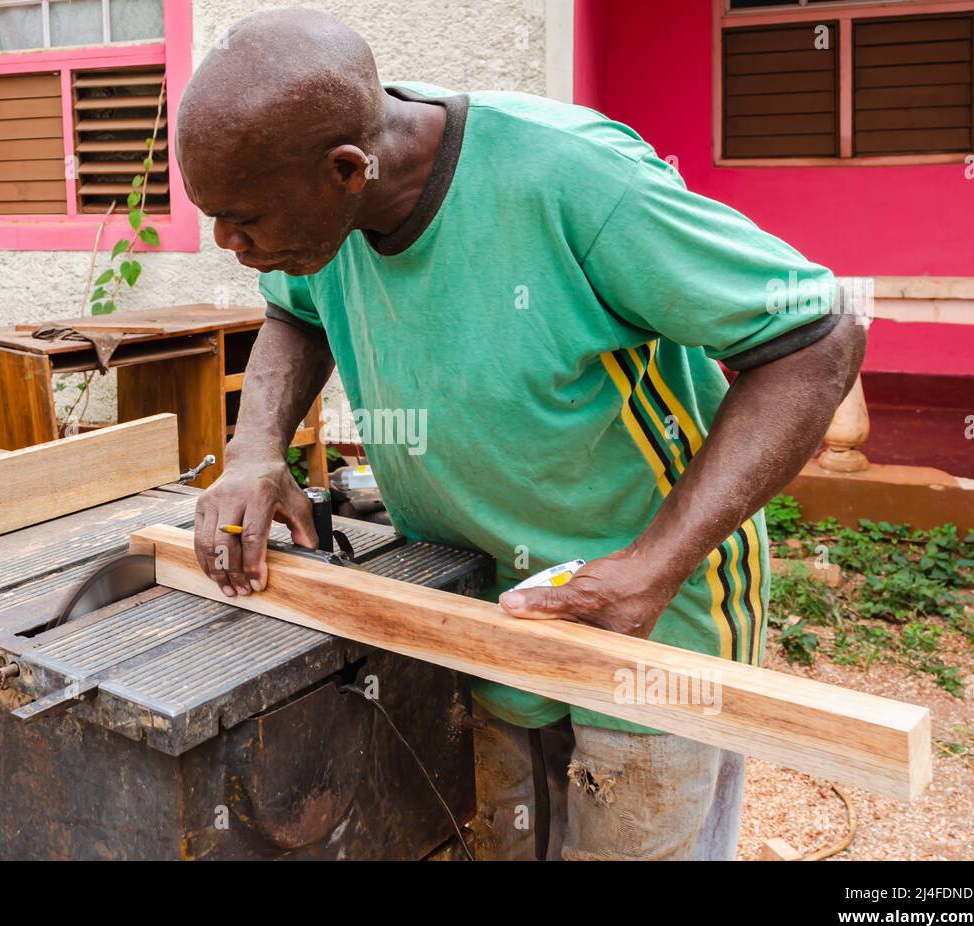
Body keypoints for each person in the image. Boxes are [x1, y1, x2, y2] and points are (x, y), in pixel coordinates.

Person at [174, 7, 864, 860]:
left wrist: (651, 566)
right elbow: (296, 315)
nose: (227, 243)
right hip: (487, 607)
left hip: (649, 617)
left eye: (244, 220)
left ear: (348, 169)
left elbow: (818, 334)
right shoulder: (323, 214)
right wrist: (255, 449)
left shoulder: (573, 176)